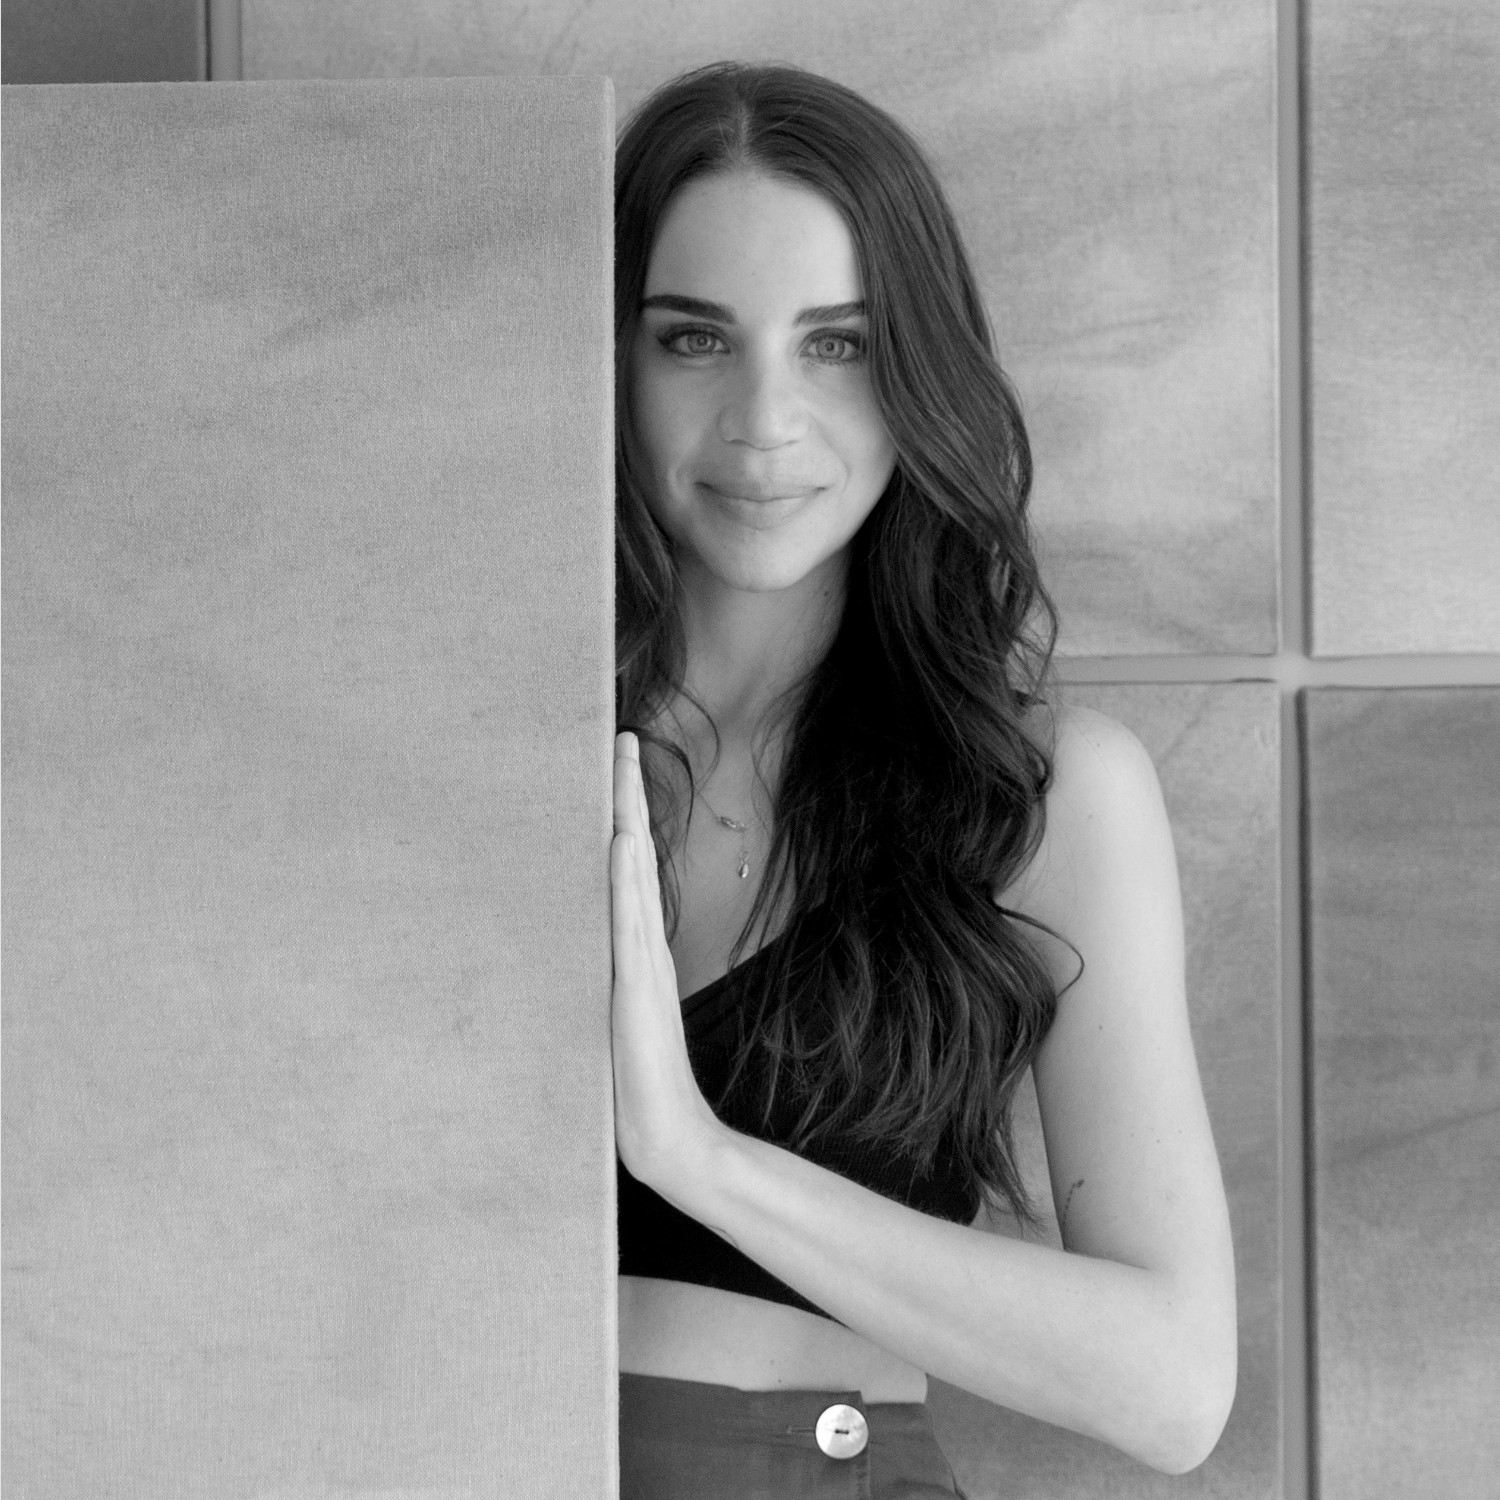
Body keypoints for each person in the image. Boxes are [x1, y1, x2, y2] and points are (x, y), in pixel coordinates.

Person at [608, 61, 1236, 1499]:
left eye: (837, 344)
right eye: (694, 338)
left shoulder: (1038, 795)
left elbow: (1175, 1386)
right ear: (609, 361)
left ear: (918, 374)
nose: (764, 422)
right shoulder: (471, 747)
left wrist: (697, 1157)